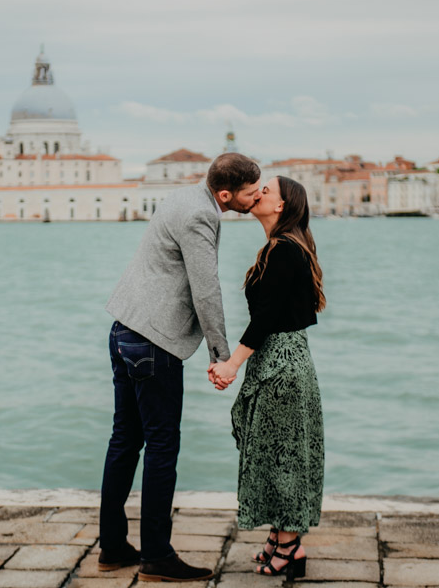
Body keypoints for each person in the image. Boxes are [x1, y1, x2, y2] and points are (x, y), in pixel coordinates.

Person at [99, 153, 261, 582]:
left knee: (125, 440)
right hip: (153, 339)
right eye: (250, 192)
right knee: (162, 446)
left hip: (124, 329)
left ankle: (113, 548)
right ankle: (156, 555)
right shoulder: (199, 216)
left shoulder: (183, 195)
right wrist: (221, 356)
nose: (256, 196)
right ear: (226, 194)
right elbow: (206, 290)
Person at [210, 176, 326, 580]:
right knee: (278, 452)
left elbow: (267, 317)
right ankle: (281, 536)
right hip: (285, 360)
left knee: (287, 457)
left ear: (281, 206)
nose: (258, 193)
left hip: (282, 364)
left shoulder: (283, 251)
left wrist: (231, 364)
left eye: (267, 190)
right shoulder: (285, 247)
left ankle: (291, 545)